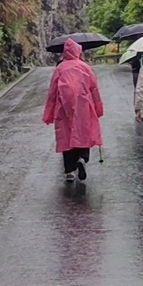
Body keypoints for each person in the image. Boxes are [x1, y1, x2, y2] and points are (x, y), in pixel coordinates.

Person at [42, 38, 104, 183]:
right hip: (84, 107)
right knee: (83, 133)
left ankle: (70, 170)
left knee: (66, 136)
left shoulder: (60, 68)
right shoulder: (85, 67)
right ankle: (82, 158)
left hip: (64, 108)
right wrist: (98, 109)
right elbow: (94, 89)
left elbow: (52, 93)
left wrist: (48, 114)